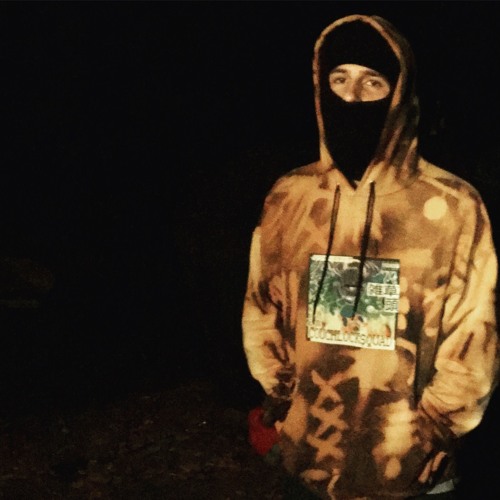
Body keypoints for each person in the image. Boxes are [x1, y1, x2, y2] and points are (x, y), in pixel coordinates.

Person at [242, 13, 499, 500]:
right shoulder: (290, 198)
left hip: (409, 472)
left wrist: (435, 432)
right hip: (309, 462)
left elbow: (473, 338)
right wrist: (282, 402)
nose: (352, 97)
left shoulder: (451, 206)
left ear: (398, 93)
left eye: (372, 82)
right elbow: (262, 307)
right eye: (339, 79)